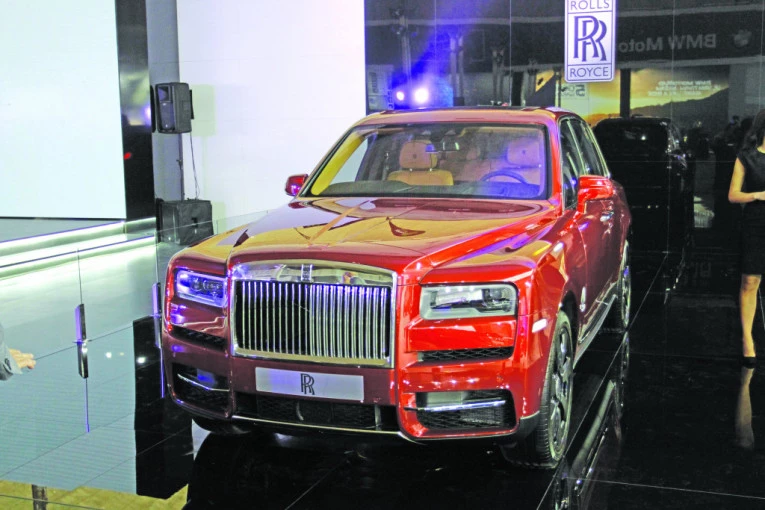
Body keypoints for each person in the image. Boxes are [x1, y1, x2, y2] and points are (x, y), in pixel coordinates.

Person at [728, 108, 765, 366]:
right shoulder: (747, 157)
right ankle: (747, 339)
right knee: (750, 281)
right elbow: (733, 195)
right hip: (755, 223)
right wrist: (758, 195)